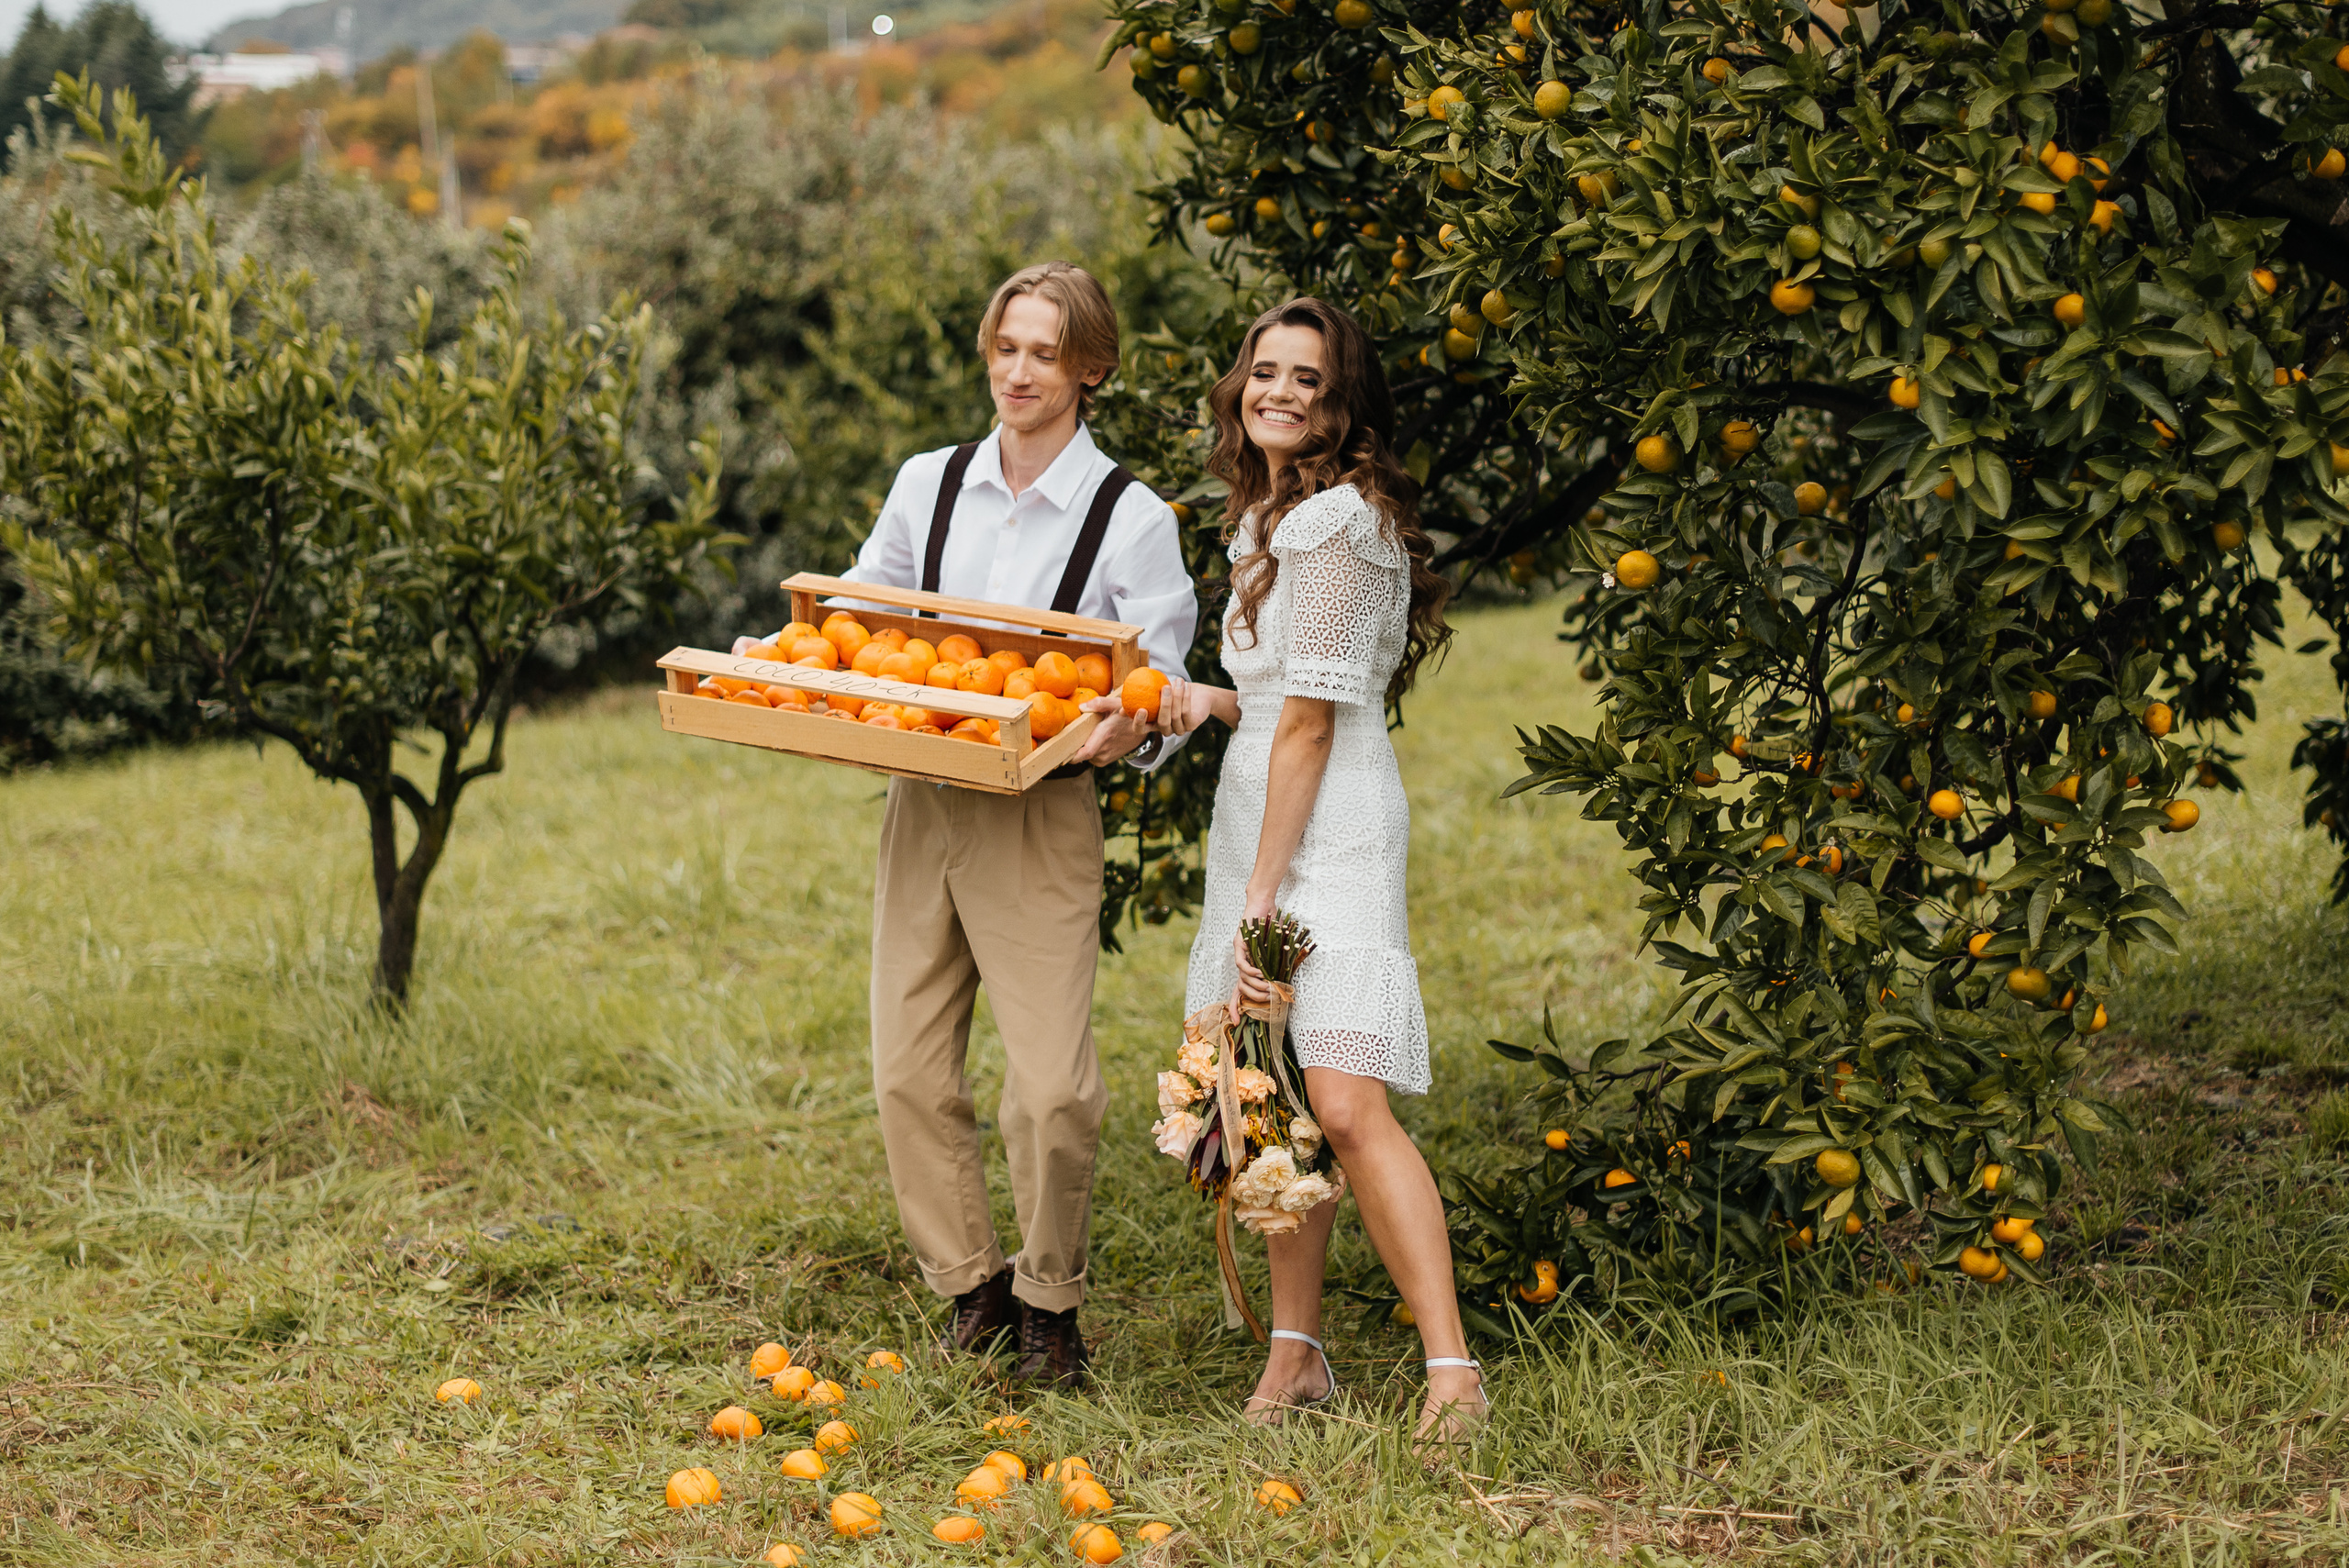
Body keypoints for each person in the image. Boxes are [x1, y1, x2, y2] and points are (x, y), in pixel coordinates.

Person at [744, 262, 1197, 1387]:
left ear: (1090, 368)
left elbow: (1166, 679)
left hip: (1039, 813)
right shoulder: (928, 482)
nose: (1020, 371)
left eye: (1046, 352)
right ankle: (974, 1287)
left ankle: (1052, 1299)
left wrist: (1125, 727)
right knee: (905, 1068)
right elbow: (861, 604)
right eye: (1006, 347)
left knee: (1049, 1088)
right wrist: (781, 656)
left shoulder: (1129, 517)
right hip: (922, 796)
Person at [1139, 296, 1483, 1438]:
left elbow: (1315, 727)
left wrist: (1255, 904)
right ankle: (1296, 1357)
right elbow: (1281, 699)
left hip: (1324, 827)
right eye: (1264, 372)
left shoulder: (1336, 521)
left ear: (1343, 407)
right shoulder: (1263, 522)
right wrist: (1203, 699)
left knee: (1340, 1095)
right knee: (1268, 1086)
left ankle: (1451, 1370)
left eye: (1308, 380)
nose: (1278, 393)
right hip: (1263, 810)